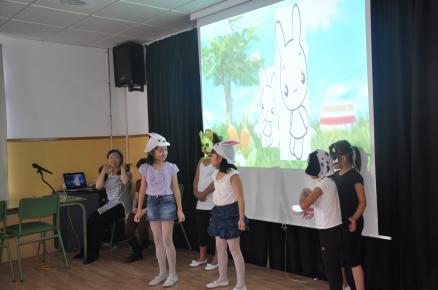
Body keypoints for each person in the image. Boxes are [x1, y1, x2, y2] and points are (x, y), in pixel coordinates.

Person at [134, 133, 185, 288]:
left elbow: (176, 189)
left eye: (165, 150)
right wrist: (139, 210)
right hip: (152, 202)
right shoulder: (145, 168)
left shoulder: (171, 167)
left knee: (167, 240)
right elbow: (142, 189)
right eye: (160, 150)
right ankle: (162, 273)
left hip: (167, 201)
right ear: (152, 152)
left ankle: (173, 274)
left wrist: (180, 210)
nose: (164, 153)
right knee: (157, 240)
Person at [74, 149, 132, 264]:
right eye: (111, 157)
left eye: (116, 157)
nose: (114, 160)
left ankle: (93, 254)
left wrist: (122, 168)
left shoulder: (126, 172)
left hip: (122, 205)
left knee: (97, 221)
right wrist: (103, 172)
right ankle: (85, 250)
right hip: (110, 204)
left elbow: (125, 182)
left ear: (121, 160)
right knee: (91, 219)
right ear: (108, 160)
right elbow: (98, 187)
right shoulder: (107, 174)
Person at [206, 141, 248, 290]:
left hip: (231, 214)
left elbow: (240, 198)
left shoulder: (233, 175)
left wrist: (241, 218)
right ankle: (222, 278)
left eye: (213, 155)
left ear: (220, 158)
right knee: (220, 247)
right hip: (218, 212)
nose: (210, 157)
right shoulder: (215, 173)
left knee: (234, 249)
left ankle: (241, 284)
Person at [299, 150, 343, 290]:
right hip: (333, 229)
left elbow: (303, 205)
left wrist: (304, 193)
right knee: (334, 268)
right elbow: (324, 205)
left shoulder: (322, 185)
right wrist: (313, 211)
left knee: (331, 270)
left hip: (328, 232)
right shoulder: (328, 182)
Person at [329, 140, 367, 290]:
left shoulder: (355, 177)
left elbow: (363, 202)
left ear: (343, 158)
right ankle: (345, 286)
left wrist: (354, 218)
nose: (333, 161)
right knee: (340, 259)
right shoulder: (335, 177)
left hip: (351, 224)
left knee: (353, 260)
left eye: (335, 157)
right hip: (338, 222)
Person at [189, 129, 220, 270]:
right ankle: (202, 257)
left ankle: (217, 259)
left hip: (213, 201)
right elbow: (196, 179)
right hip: (200, 203)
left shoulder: (218, 161)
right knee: (201, 230)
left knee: (216, 232)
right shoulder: (201, 160)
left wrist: (204, 194)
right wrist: (196, 193)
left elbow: (216, 181)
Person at [123, 158, 150, 263]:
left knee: (141, 228)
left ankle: (144, 242)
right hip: (139, 209)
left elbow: (156, 201)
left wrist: (144, 210)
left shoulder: (155, 182)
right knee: (127, 229)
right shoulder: (139, 182)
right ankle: (137, 251)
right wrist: (134, 207)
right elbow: (136, 197)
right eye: (140, 169)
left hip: (151, 209)